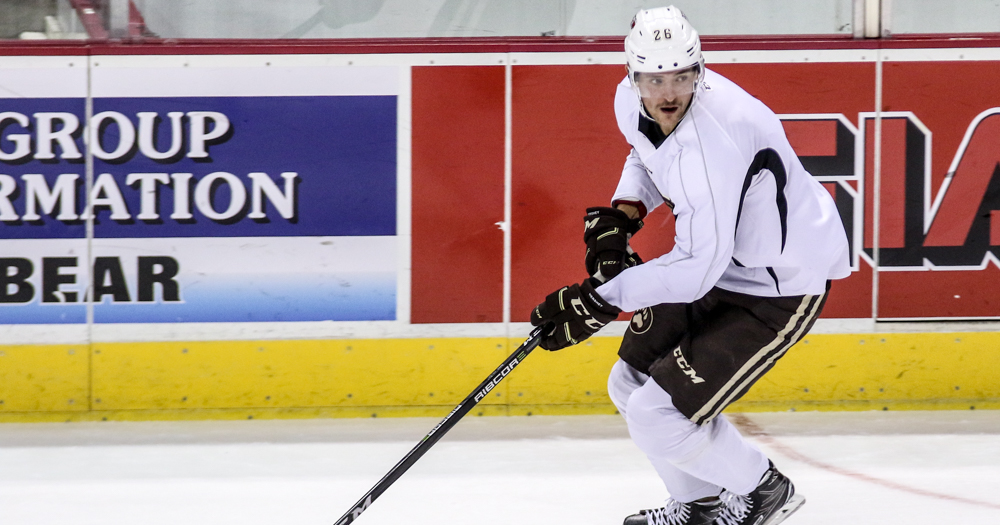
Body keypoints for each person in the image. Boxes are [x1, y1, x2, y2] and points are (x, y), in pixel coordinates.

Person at [529, 6, 851, 525]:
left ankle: (764, 490)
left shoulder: (715, 137)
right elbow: (648, 155)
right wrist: (624, 213)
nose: (669, 92)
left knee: (658, 417)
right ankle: (699, 504)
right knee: (628, 382)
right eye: (655, 78)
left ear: (699, 70)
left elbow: (697, 267)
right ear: (632, 76)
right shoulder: (630, 102)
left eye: (682, 75)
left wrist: (599, 301)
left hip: (779, 284)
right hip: (725, 263)